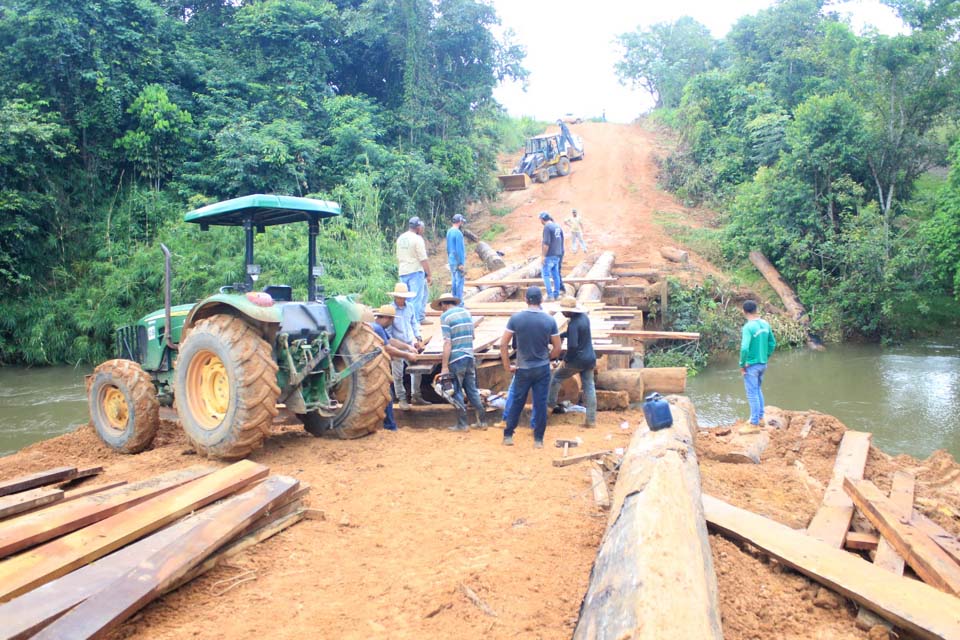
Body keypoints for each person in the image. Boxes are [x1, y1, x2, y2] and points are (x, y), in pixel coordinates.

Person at [500, 286, 562, 448]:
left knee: (517, 402)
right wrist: (547, 358)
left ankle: (508, 435)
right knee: (540, 403)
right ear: (541, 301)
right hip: (542, 368)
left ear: (526, 300)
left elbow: (504, 343)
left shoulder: (516, 319)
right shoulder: (549, 320)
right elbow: (557, 348)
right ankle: (538, 439)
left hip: (523, 367)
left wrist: (507, 365)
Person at [433, 292, 486, 432]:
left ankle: (462, 424)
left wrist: (444, 366)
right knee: (472, 390)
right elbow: (473, 336)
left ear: (444, 304)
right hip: (469, 355)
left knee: (455, 390)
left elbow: (447, 342)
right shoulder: (467, 313)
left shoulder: (445, 317)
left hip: (456, 358)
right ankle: (482, 421)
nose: (442, 309)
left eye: (441, 306)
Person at [547, 296, 597, 427]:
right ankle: (591, 420)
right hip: (589, 358)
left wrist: (566, 360)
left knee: (557, 377)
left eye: (564, 311)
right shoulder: (583, 318)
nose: (562, 313)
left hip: (577, 359)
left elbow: (573, 345)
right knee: (589, 387)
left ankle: (549, 406)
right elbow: (572, 334)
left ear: (570, 311)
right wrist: (559, 336)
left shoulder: (574, 323)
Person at [369, 304, 420, 431]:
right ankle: (390, 426)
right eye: (391, 320)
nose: (392, 323)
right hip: (373, 368)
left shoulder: (376, 327)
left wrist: (408, 347)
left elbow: (390, 341)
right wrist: (407, 355)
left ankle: (387, 425)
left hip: (371, 367)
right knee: (387, 394)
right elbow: (388, 348)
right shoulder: (377, 328)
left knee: (387, 394)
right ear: (386, 318)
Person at [387, 282, 426, 409]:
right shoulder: (390, 310)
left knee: (417, 370)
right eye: (400, 297)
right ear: (395, 297)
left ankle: (416, 395)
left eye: (403, 297)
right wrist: (405, 347)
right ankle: (402, 399)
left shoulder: (410, 307)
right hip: (396, 347)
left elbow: (414, 323)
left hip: (410, 343)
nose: (402, 299)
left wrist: (418, 337)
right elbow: (389, 336)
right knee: (398, 374)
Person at [739, 300, 776, 426]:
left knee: (752, 393)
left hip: (752, 366)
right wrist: (765, 356)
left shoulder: (748, 327)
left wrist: (742, 364)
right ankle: (760, 417)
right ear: (756, 310)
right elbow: (772, 343)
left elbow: (744, 348)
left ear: (744, 311)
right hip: (763, 364)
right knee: (758, 389)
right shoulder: (765, 324)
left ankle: (754, 422)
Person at [396, 216, 432, 324]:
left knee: (409, 297)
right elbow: (423, 259)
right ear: (418, 227)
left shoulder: (401, 238)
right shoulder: (417, 239)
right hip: (415, 271)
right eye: (421, 227)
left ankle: (419, 317)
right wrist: (429, 274)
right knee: (416, 298)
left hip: (403, 271)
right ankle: (414, 323)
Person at [539, 212, 563, 301]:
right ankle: (556, 294)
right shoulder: (556, 226)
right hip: (557, 254)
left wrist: (543, 256)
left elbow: (546, 243)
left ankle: (550, 295)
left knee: (545, 275)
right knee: (556, 275)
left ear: (542, 219)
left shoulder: (547, 228)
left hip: (549, 255)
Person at [446, 214, 467, 301]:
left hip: (451, 260)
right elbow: (459, 250)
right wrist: (461, 263)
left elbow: (448, 248)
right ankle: (459, 302)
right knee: (459, 282)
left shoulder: (449, 231)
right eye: (462, 221)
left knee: (454, 280)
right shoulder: (458, 233)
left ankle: (454, 301)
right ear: (460, 221)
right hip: (457, 261)